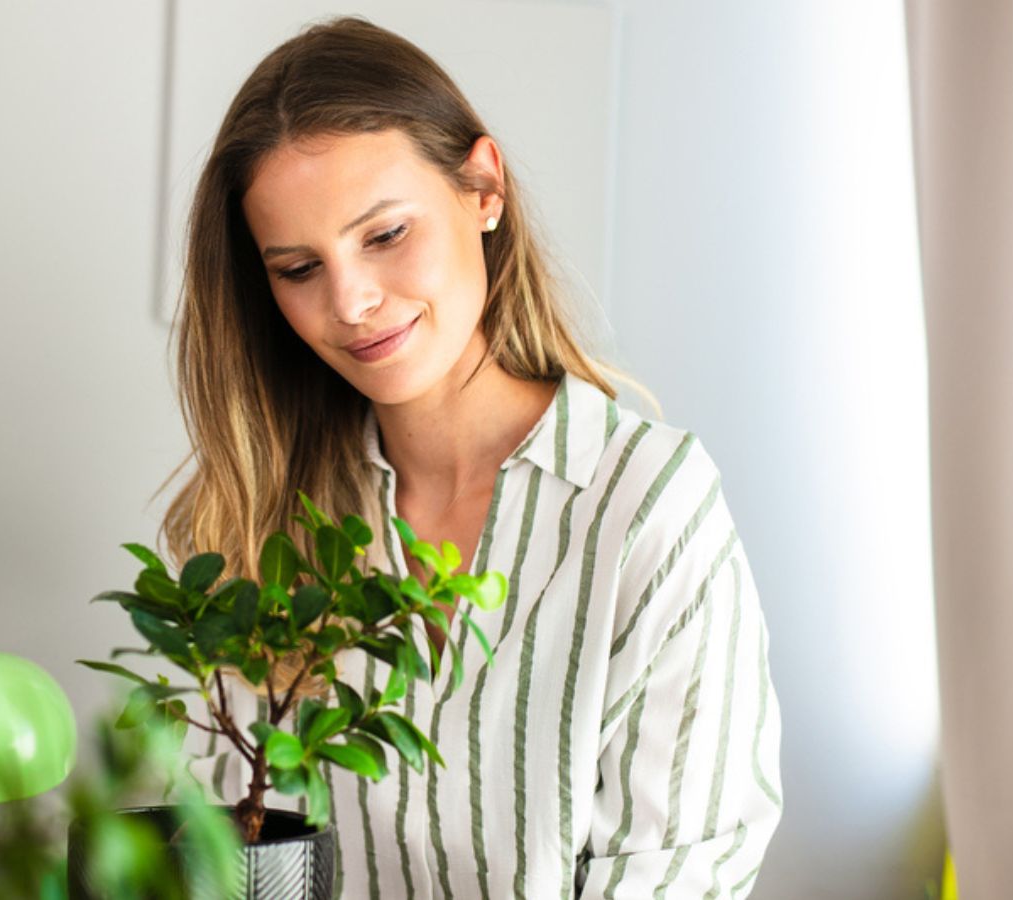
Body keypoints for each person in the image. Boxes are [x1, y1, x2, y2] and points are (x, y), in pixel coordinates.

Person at [163, 16, 782, 899]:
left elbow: (679, 874)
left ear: (483, 188)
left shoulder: (645, 510)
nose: (352, 301)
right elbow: (220, 862)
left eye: (384, 235)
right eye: (299, 268)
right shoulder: (257, 523)